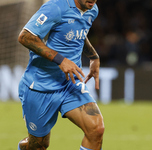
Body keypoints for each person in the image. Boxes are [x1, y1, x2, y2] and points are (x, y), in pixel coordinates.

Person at [17, 0, 104, 150]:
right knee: (39, 145)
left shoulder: (92, 9)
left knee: (96, 129)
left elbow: (77, 33)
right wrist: (60, 60)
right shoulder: (55, 7)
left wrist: (94, 57)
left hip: (70, 83)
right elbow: (25, 37)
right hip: (40, 86)